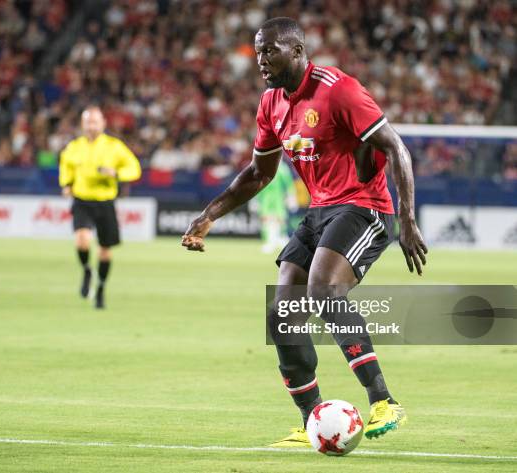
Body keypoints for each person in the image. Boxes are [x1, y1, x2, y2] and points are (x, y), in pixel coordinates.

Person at [181, 17, 427, 446]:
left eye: (269, 51)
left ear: (296, 51)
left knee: (322, 291)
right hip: (319, 212)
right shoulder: (271, 104)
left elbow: (396, 147)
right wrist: (209, 216)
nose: (261, 59)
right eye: (258, 51)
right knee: (282, 316)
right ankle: (311, 419)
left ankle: (384, 401)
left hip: (364, 207)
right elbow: (258, 174)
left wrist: (406, 219)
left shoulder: (339, 89)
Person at [59, 106, 141, 309]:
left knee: (105, 251)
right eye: (88, 121)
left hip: (105, 202)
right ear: (82, 124)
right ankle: (87, 269)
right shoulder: (74, 147)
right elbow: (66, 167)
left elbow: (134, 168)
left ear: (103, 124)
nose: (91, 125)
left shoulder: (114, 146)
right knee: (82, 240)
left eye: (95, 121)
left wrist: (116, 174)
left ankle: (101, 288)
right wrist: (67, 185)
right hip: (82, 200)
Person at [253, 159, 298, 253]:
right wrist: (255, 200)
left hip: (278, 198)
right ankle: (268, 241)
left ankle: (281, 237)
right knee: (265, 219)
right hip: (265, 198)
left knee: (279, 219)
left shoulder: (282, 169)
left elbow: (289, 184)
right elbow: (257, 184)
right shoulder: (263, 169)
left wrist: (291, 198)